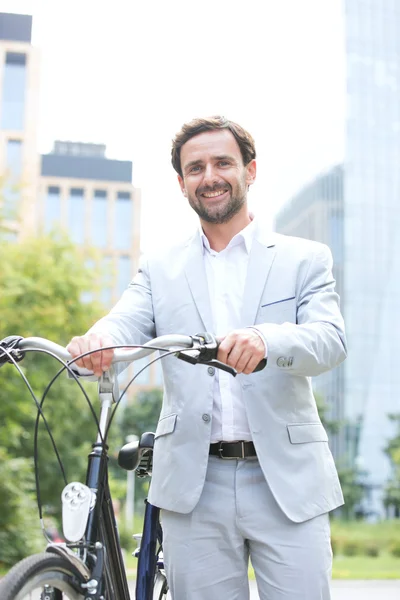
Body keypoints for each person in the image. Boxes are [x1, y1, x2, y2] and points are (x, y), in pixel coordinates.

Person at [68, 116, 347, 600]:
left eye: (223, 162)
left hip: (286, 478)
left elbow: (329, 341)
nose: (210, 176)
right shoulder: (160, 266)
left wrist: (268, 340)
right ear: (181, 184)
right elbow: (123, 323)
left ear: (250, 171)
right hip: (194, 485)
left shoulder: (305, 258)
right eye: (195, 168)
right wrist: (96, 341)